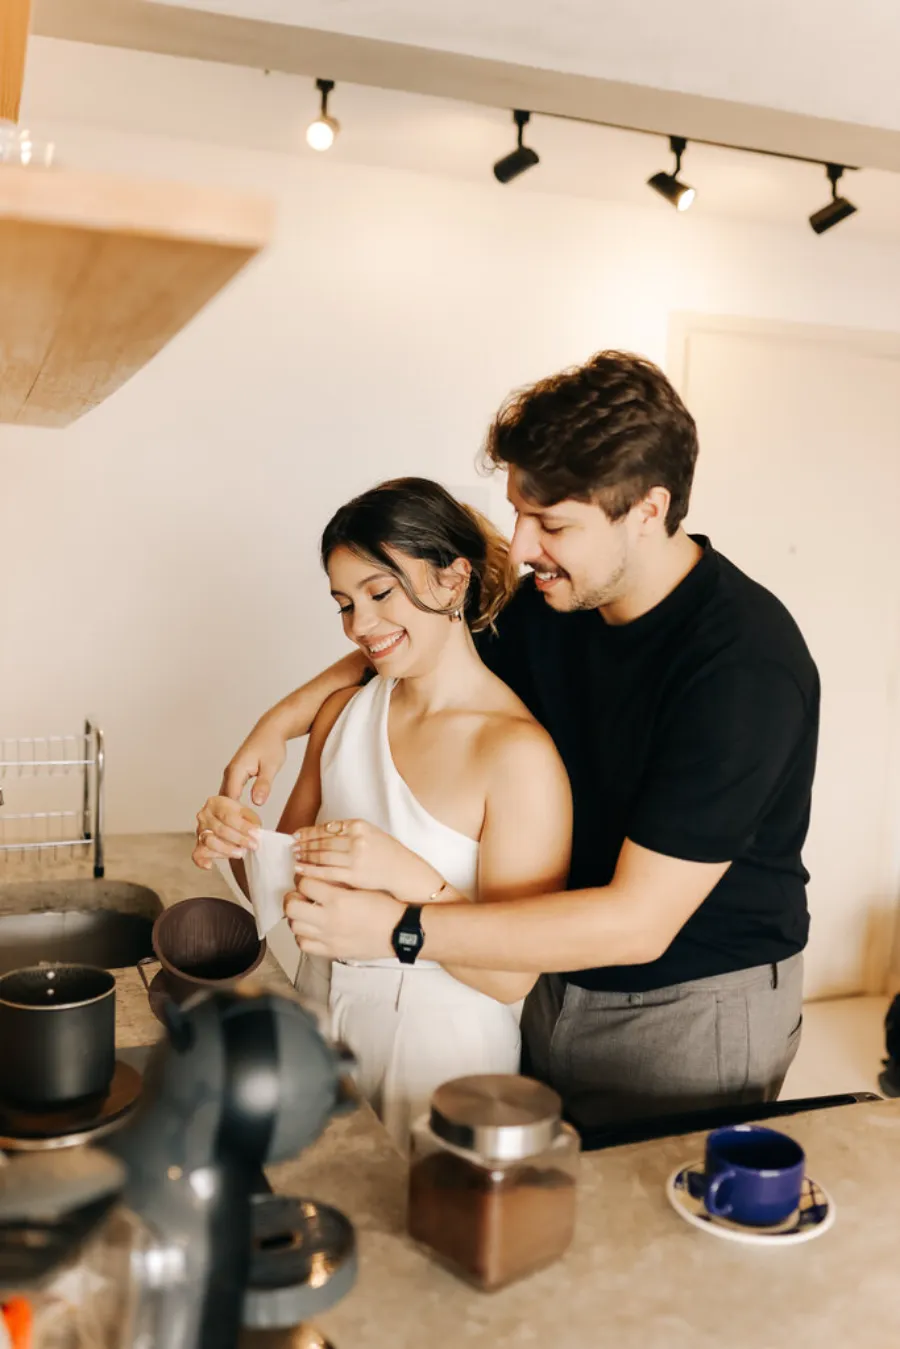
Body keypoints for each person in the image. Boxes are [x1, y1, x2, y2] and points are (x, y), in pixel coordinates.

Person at [201, 351, 820, 1130]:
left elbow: (639, 919)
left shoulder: (743, 666)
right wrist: (280, 721)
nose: (521, 547)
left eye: (552, 522)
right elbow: (406, 637)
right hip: (535, 965)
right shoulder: (558, 605)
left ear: (647, 509)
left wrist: (402, 924)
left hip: (687, 1000)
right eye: (520, 513)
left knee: (635, 1231)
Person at [194, 478, 571, 1149]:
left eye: (378, 592)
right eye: (344, 604)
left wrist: (404, 877)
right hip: (318, 1023)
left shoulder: (518, 753)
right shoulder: (341, 715)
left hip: (442, 1054)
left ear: (453, 581)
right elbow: (276, 892)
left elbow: (515, 973)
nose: (359, 625)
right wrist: (237, 843)